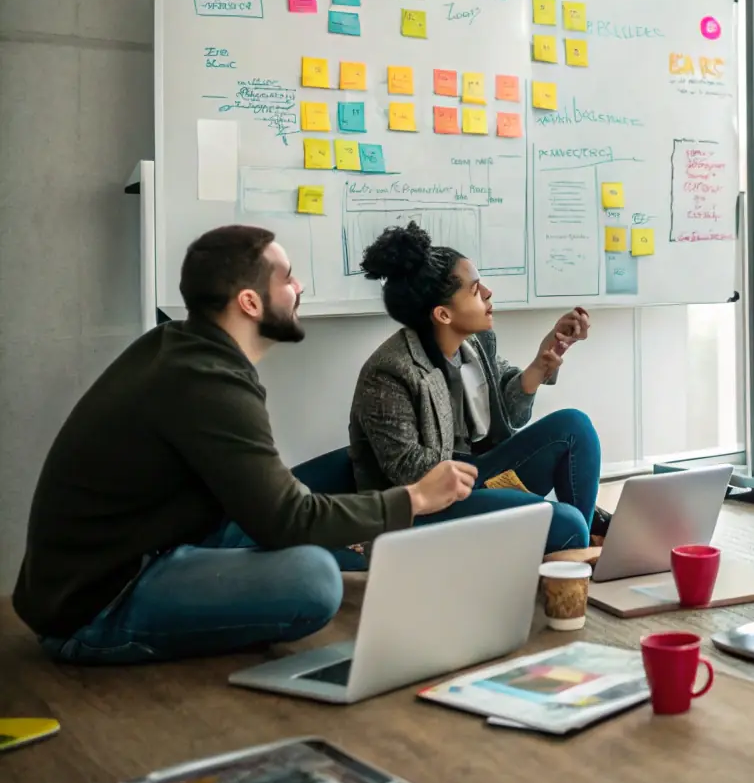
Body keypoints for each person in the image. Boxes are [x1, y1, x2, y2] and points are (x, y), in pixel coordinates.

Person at [12, 226, 472, 665]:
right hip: (97, 605)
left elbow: (269, 501)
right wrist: (415, 498)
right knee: (313, 580)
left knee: (315, 496)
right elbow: (286, 518)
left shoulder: (185, 349)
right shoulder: (207, 382)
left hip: (151, 546)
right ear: (250, 302)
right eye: (287, 277)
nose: (300, 285)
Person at [349, 222, 608, 553]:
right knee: (562, 522)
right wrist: (486, 478)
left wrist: (542, 364)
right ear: (443, 314)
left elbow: (509, 412)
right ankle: (576, 539)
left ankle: (578, 551)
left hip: (479, 477)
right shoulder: (390, 371)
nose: (487, 293)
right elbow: (408, 473)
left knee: (574, 426)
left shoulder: (477, 342)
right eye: (474, 289)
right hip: (425, 507)